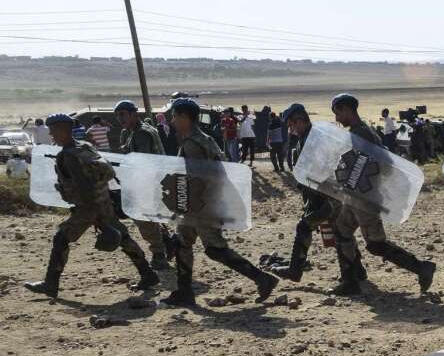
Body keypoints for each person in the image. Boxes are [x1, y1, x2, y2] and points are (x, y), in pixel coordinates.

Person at [22, 113, 158, 298]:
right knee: (123, 237)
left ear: (63, 130)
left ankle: (50, 284)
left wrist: (92, 215)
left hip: (88, 207)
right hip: (103, 201)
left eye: (53, 131)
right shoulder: (85, 146)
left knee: (61, 238)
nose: (52, 135)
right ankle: (148, 274)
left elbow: (83, 186)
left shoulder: (68, 156)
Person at [160, 97, 278, 307]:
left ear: (185, 118)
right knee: (181, 244)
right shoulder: (203, 139)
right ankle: (184, 292)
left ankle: (263, 279)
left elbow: (198, 178)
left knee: (214, 249)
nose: (172, 119)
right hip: (198, 204)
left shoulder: (193, 144)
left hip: (201, 205)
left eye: (175, 116)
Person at [329, 93, 436, 295]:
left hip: (366, 198)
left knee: (376, 244)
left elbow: (384, 165)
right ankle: (352, 277)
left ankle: (421, 267)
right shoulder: (358, 133)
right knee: (341, 231)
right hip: (355, 196)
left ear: (347, 110)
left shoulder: (363, 135)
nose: (337, 119)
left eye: (338, 113)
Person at [267, 103, 364, 290]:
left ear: (301, 120)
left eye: (292, 124)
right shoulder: (307, 138)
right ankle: (357, 271)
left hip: (329, 197)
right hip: (324, 196)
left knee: (305, 227)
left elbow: (325, 168)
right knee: (340, 234)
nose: (291, 128)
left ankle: (295, 270)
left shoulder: (315, 138)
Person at [113, 99, 175, 271]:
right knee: (149, 218)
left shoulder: (141, 133)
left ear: (133, 114)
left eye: (123, 114)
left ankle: (159, 255)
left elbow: (143, 161)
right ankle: (168, 243)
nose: (120, 118)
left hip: (147, 182)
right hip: (151, 181)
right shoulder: (136, 131)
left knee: (144, 220)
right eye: (118, 115)